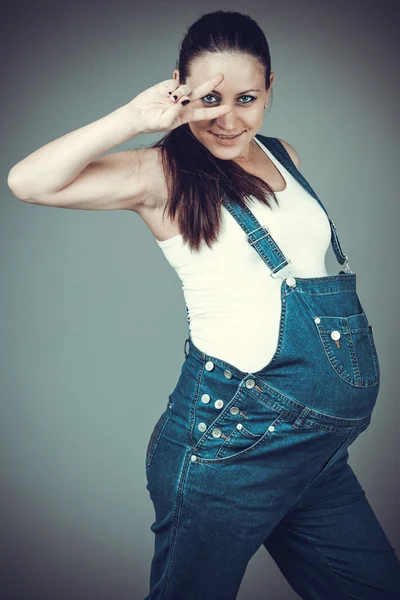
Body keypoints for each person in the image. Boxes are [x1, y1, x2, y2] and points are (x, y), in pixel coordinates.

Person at [7, 9, 400, 600]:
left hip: (314, 455)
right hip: (229, 448)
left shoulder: (282, 154)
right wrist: (134, 118)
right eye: (209, 99)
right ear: (181, 91)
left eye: (245, 97)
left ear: (270, 90)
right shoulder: (159, 173)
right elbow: (28, 183)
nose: (226, 118)